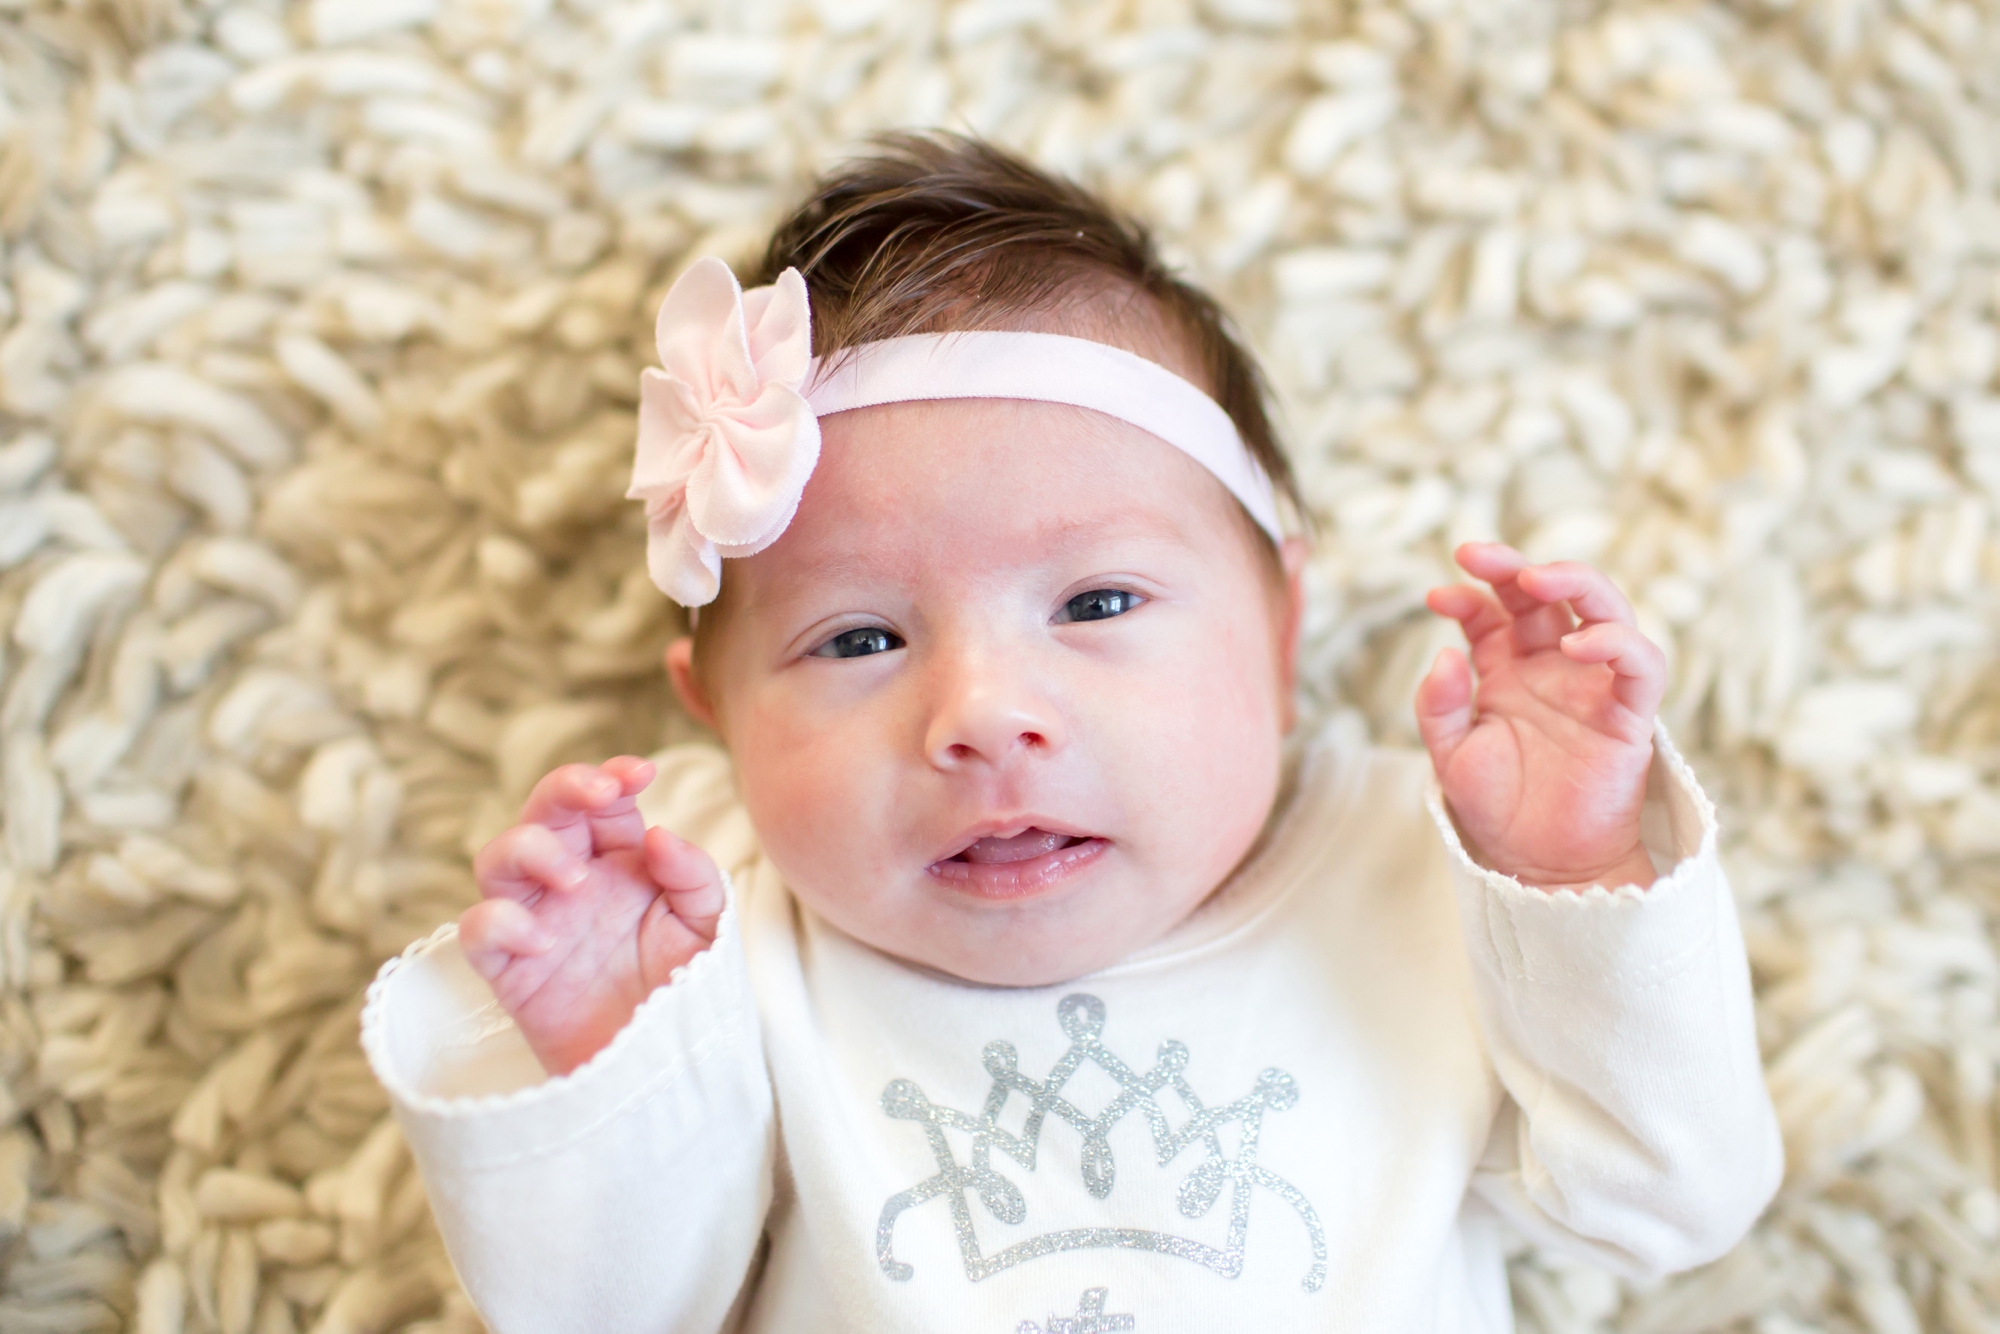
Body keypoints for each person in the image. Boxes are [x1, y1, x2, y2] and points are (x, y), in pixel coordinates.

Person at [361, 134, 1781, 1333]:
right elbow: (617, 1311)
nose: (982, 716)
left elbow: (1668, 1204)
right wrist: (617, 1059)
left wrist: (1579, 870)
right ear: (714, 713)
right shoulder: (712, 921)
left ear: (1280, 630)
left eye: (1096, 600)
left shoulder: (1423, 868)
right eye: (859, 638)